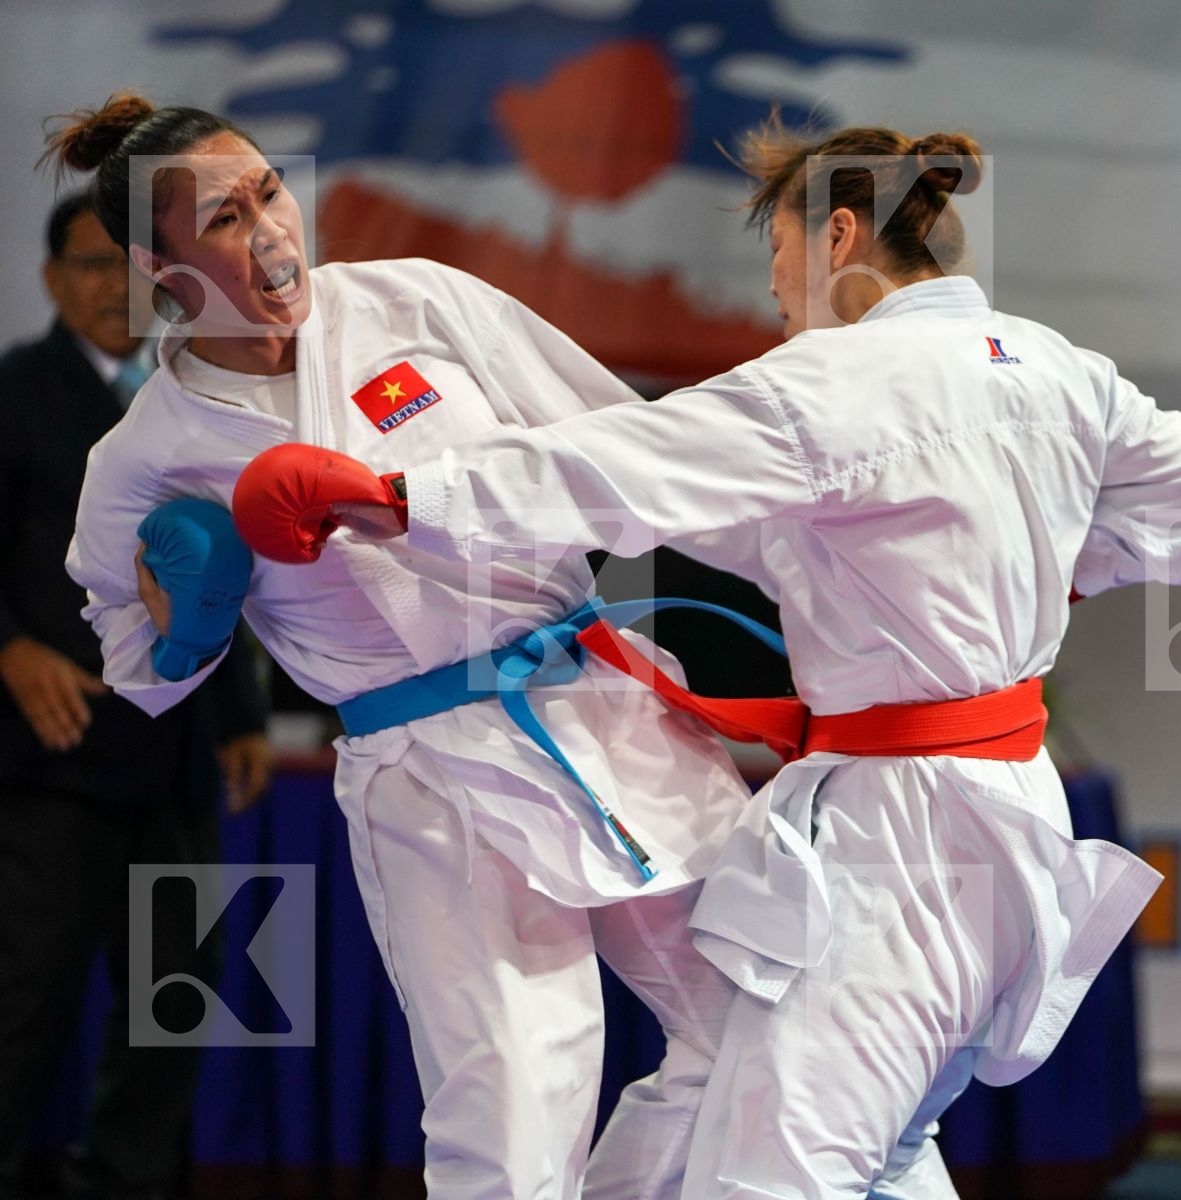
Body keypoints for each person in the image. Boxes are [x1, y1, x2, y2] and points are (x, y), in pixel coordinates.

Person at [234, 121, 1181, 1199]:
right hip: (1014, 815)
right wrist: (1061, 569)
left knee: (771, 1179)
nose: (773, 287)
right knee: (811, 1134)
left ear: (840, 236)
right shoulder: (1059, 366)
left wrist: (399, 499)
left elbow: (614, 469)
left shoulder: (829, 384)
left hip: (905, 840)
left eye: (778, 252)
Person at [44, 93, 774, 1200]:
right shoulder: (143, 456)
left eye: (272, 192)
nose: (275, 231)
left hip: (603, 704)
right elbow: (133, 666)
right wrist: (186, 619)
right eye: (229, 220)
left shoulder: (417, 302)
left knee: (768, 1035)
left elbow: (624, 452)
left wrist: (826, 568)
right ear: (159, 262)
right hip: (431, 778)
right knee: (514, 1118)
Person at [0, 193, 271, 1200]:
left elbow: (230, 571)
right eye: (88, 266)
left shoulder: (199, 399)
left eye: (131, 266)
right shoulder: (16, 393)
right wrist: (11, 651)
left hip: (182, 759)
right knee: (25, 998)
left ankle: (128, 1183)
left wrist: (242, 716)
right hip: (54, 758)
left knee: (177, 1000)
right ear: (49, 281)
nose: (115, 288)